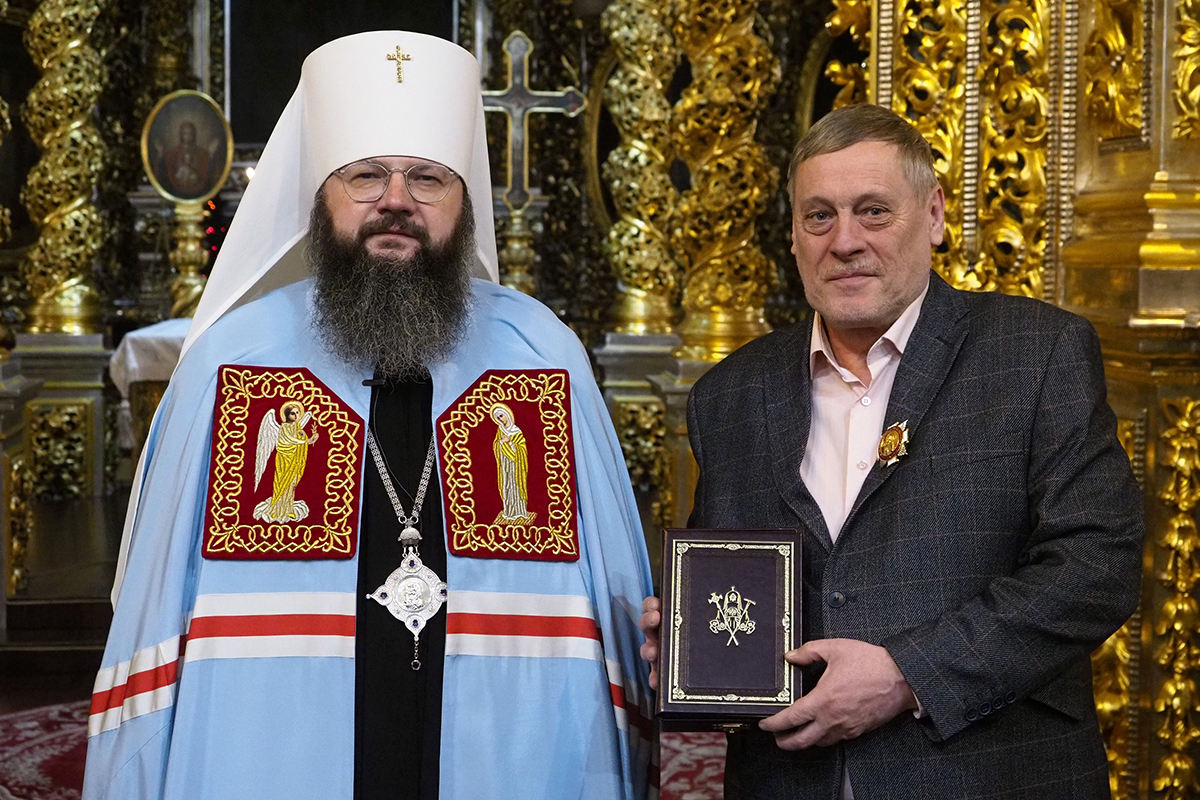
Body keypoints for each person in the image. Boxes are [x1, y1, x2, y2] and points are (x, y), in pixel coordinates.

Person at [85, 32, 654, 800]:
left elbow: (620, 621)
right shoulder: (231, 365)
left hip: (508, 759)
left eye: (428, 178)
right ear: (320, 196)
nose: (396, 200)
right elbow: (154, 616)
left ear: (465, 203)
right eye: (365, 176)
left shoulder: (542, 358)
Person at [639, 103, 1145, 799]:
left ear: (933, 215)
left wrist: (909, 675)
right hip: (788, 780)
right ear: (793, 235)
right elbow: (734, 580)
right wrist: (689, 641)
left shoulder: (1035, 352)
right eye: (819, 216)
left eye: (873, 212)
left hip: (987, 777)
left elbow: (1095, 567)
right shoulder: (730, 393)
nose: (844, 241)